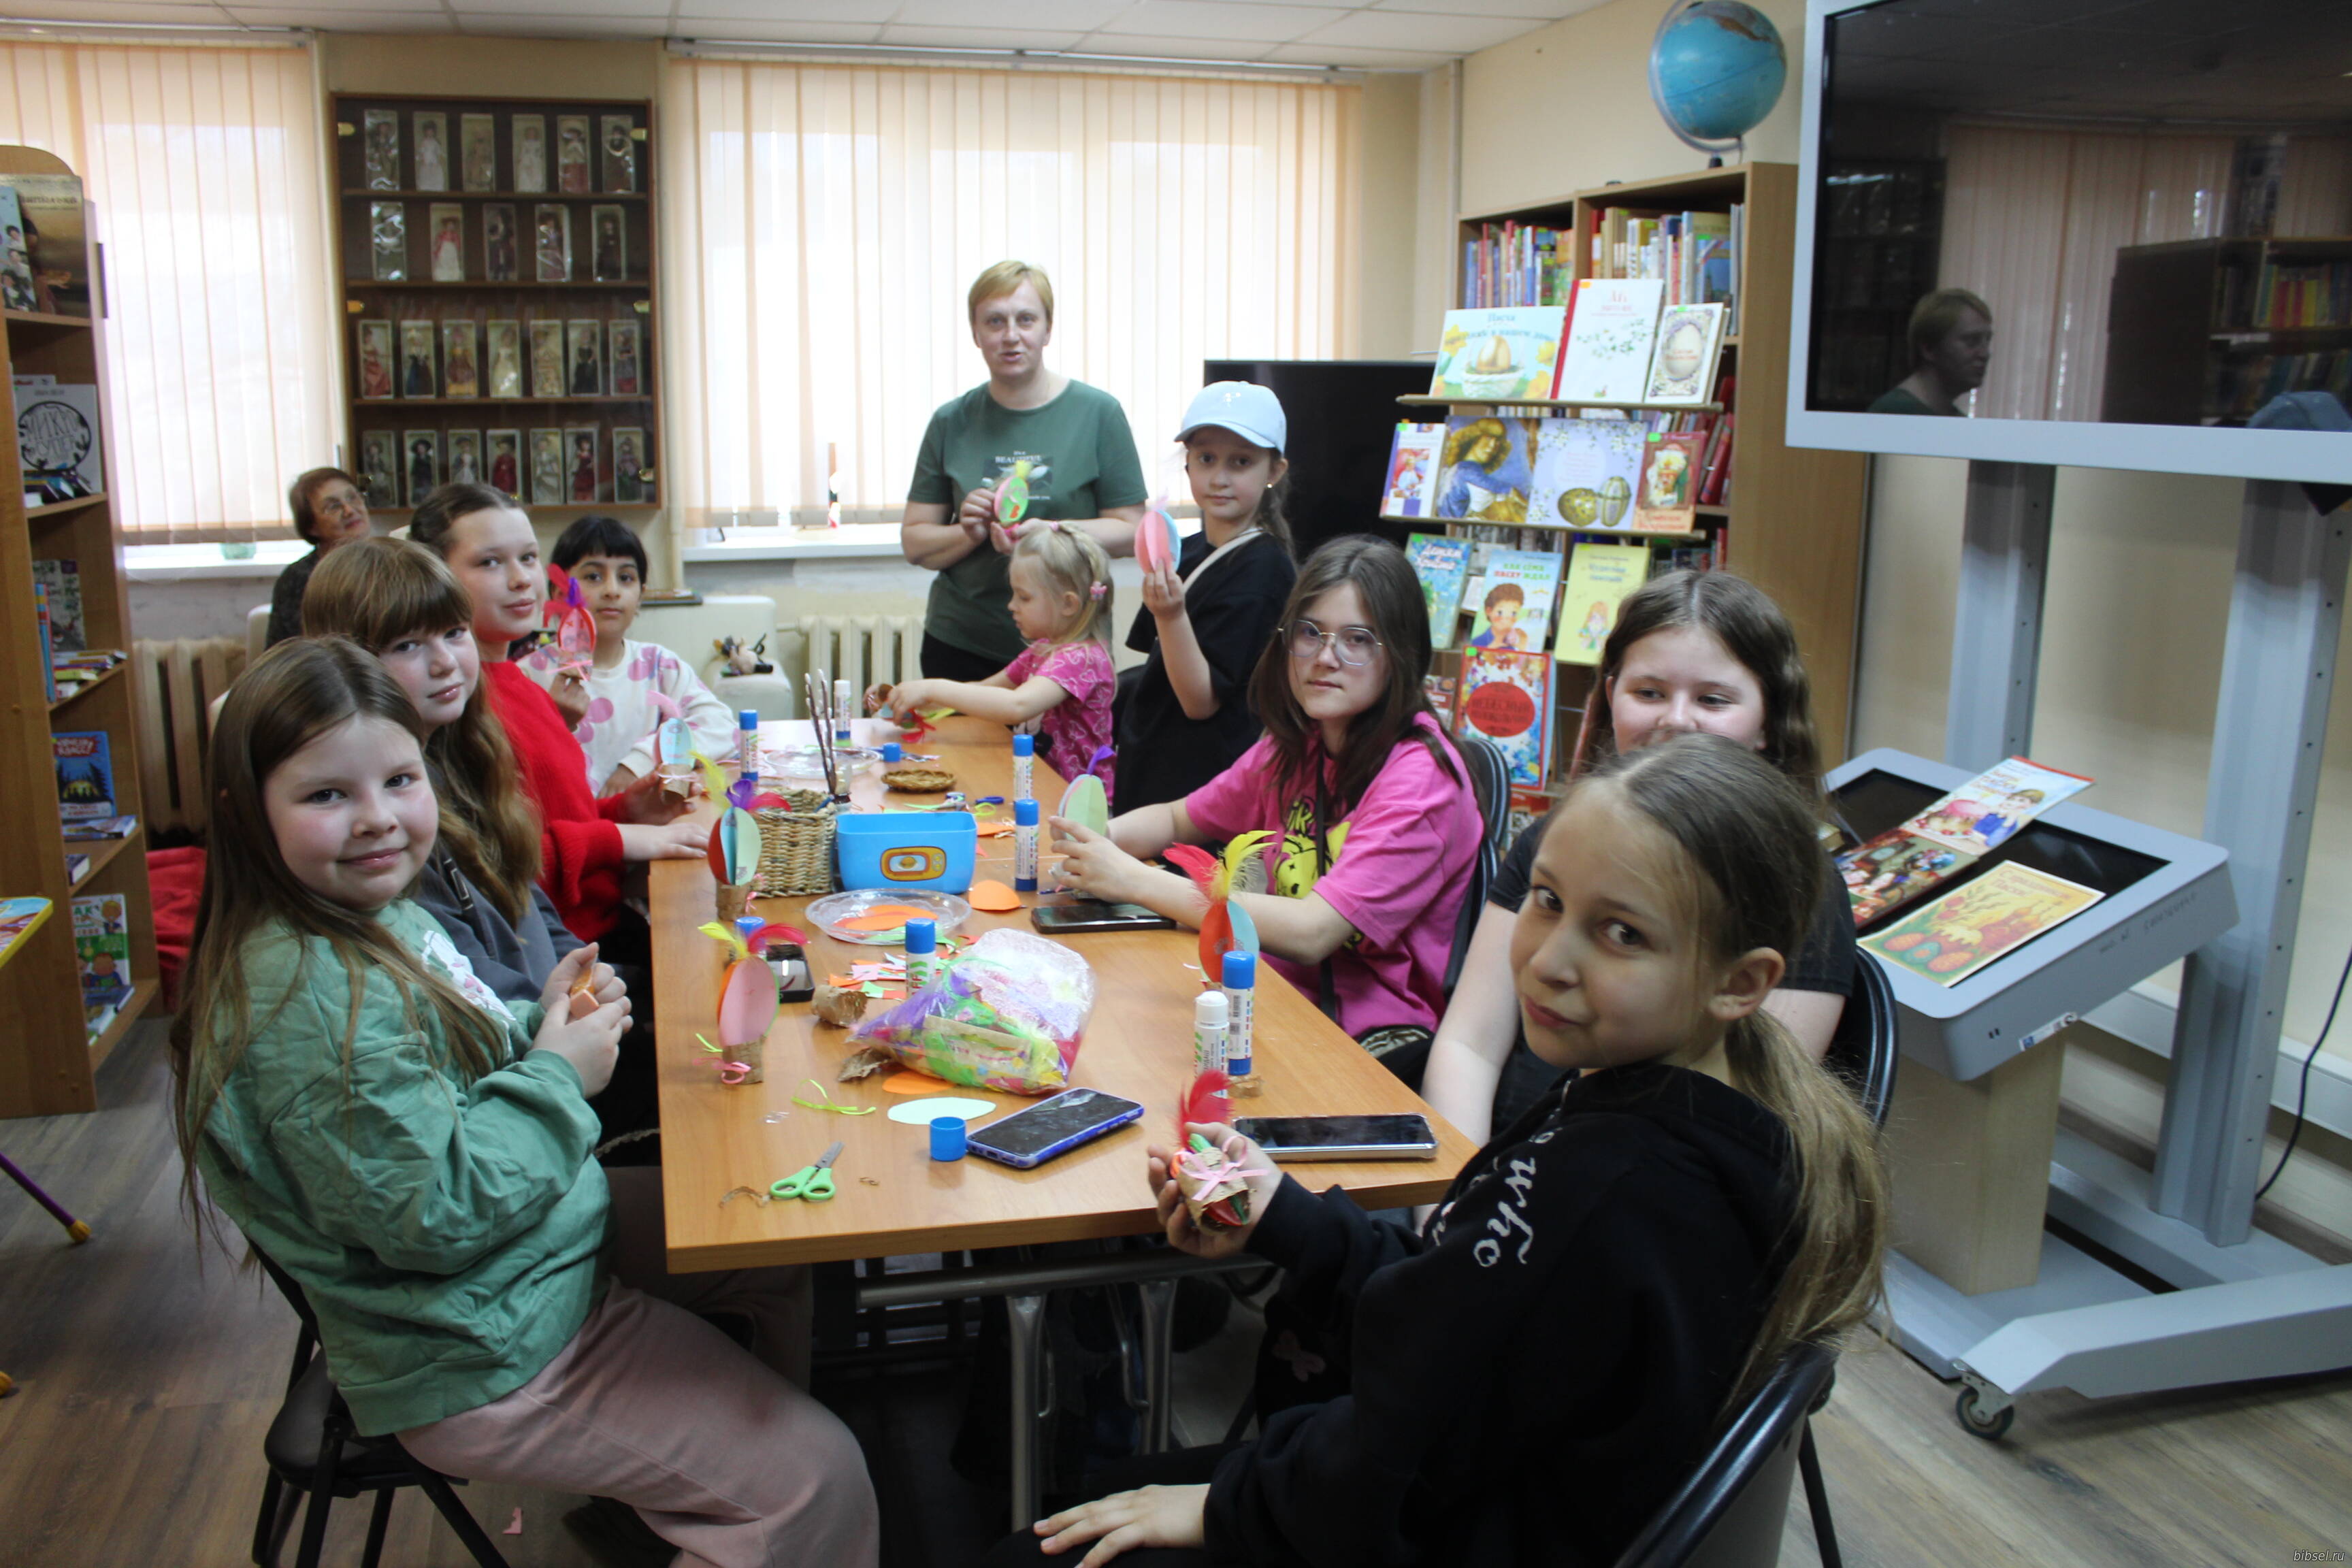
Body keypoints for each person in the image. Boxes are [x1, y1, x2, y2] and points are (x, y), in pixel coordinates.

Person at [986, 736, 1888, 1568]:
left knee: (1044, 1540)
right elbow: (1459, 1312)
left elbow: (1412, 1443)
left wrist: (1232, 1504)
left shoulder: (1614, 1189)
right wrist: (1289, 1219)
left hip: (1428, 1523)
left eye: (1623, 934)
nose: (1549, 960)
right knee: (1100, 1501)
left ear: (1741, 983)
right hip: (1440, 1495)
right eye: (1548, 902)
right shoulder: (1661, 1114)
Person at [169, 639, 880, 1566]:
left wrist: (538, 1021)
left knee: (766, 1246)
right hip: (479, 1337)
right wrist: (555, 1071)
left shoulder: (376, 913)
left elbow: (446, 1052)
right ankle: (759, 1506)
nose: (378, 819)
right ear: (244, 816)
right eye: (327, 795)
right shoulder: (308, 999)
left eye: (399, 780)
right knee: (818, 1482)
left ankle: (690, 1497)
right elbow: (434, 1212)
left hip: (523, 1256)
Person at [1422, 569, 1858, 1147]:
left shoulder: (1800, 887)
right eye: (1649, 693)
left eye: (1712, 700)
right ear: (1611, 697)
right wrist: (1459, 1186)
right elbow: (1469, 1045)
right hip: (1497, 1166)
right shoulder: (1557, 838)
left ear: (1767, 722)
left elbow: (1745, 1115)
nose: (1675, 720)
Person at [1050, 537, 1480, 1055]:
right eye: (1309, 632)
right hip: (1267, 987)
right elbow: (1178, 818)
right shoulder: (1298, 742)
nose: (1325, 657)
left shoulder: (1422, 780)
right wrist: (1095, 839)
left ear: (1402, 654)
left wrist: (1133, 879)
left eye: (1358, 639)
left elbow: (1311, 931)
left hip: (1362, 1035)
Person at [406, 483, 704, 960]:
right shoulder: (453, 705)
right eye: (490, 562)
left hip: (601, 921)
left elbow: (561, 817)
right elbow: (497, 866)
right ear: (435, 577)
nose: (521, 579)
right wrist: (620, 837)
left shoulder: (522, 683)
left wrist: (625, 810)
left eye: (527, 558)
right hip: (562, 950)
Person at [303, 537, 573, 1009]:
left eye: (454, 633)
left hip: (548, 1008)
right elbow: (464, 978)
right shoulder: (387, 815)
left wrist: (586, 971)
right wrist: (560, 1014)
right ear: (350, 666)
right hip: (516, 1027)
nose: (445, 662)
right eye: (407, 645)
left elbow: (530, 904)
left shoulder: (466, 755)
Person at [901, 260, 1147, 683]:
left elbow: (1132, 531)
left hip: (1070, 648)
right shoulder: (950, 422)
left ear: (1048, 329)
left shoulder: (1098, 414)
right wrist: (969, 531)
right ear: (976, 333)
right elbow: (915, 542)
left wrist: (1051, 531)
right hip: (963, 642)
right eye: (995, 321)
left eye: (1026, 319)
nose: (1011, 335)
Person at [1115, 382, 1299, 813]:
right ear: (1188, 464)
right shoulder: (1188, 549)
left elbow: (1200, 701)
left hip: (1199, 788)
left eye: (1241, 462)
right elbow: (1153, 662)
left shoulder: (1264, 571)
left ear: (1274, 471)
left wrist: (1171, 614)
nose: (1219, 478)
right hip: (1152, 768)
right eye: (1206, 459)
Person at [876, 523, 1118, 798]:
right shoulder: (1042, 650)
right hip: (1042, 790)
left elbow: (1017, 705)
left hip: (1078, 804)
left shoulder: (1082, 659)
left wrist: (932, 688)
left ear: (1068, 604)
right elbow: (983, 691)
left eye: (1024, 597)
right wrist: (904, 696)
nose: (1012, 605)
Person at [524, 514, 737, 796]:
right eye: (593, 576)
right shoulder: (528, 675)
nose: (612, 590)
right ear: (559, 591)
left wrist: (640, 762)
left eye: (625, 578)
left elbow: (722, 727)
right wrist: (558, 722)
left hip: (649, 821)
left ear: (640, 596)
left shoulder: (660, 666)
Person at [265, 468, 371, 648]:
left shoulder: (389, 561)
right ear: (311, 527)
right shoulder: (299, 578)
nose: (349, 510)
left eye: (353, 497)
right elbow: (287, 653)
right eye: (333, 506)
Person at [1867, 287, 1993, 416]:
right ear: (1929, 349)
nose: (1985, 354)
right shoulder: (1894, 413)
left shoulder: (1954, 418)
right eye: (1972, 341)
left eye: (1987, 340)